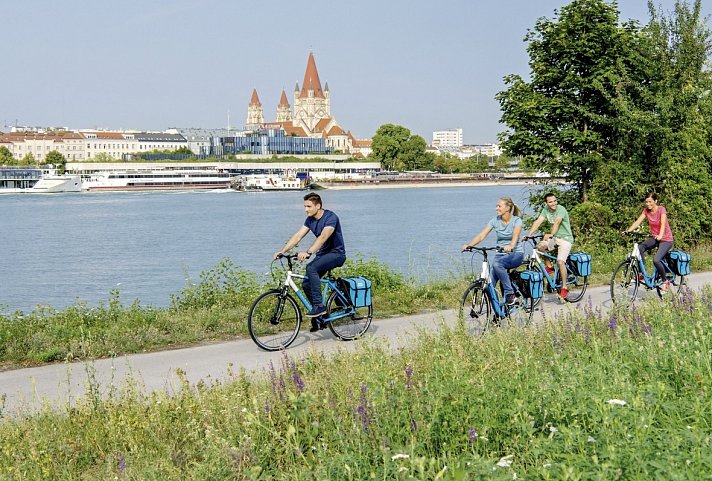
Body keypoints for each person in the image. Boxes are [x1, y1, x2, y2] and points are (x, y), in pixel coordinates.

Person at [274, 192, 346, 331]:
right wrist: (283, 251)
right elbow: (298, 236)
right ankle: (320, 317)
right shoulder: (309, 220)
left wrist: (308, 252)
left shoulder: (331, 217)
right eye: (304, 206)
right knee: (306, 284)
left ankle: (319, 306)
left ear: (318, 206)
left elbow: (324, 236)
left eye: (309, 206)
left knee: (311, 268)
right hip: (323, 255)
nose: (306, 209)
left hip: (336, 254)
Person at [462, 198, 524, 306]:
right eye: (496, 206)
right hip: (500, 254)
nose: (496, 208)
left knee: (497, 264)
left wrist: (511, 246)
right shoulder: (495, 220)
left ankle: (510, 294)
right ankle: (498, 313)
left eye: (499, 206)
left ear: (508, 208)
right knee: (490, 284)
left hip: (515, 254)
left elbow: (515, 235)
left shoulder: (516, 221)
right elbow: (482, 235)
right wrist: (469, 245)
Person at [524, 192, 574, 300]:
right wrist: (528, 235)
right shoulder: (545, 210)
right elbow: (538, 222)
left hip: (566, 239)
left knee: (560, 262)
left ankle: (564, 287)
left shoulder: (561, 209)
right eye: (550, 202)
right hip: (555, 239)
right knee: (540, 247)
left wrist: (551, 235)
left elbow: (557, 222)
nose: (553, 203)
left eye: (555, 201)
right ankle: (549, 266)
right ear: (546, 203)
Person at [624, 192, 674, 290]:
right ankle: (641, 274)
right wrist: (628, 231)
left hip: (666, 239)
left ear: (655, 201)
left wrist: (660, 235)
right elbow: (638, 221)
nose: (648, 204)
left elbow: (663, 223)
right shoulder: (646, 211)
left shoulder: (661, 209)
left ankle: (665, 281)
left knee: (656, 260)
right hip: (655, 238)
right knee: (640, 248)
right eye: (646, 202)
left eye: (650, 202)